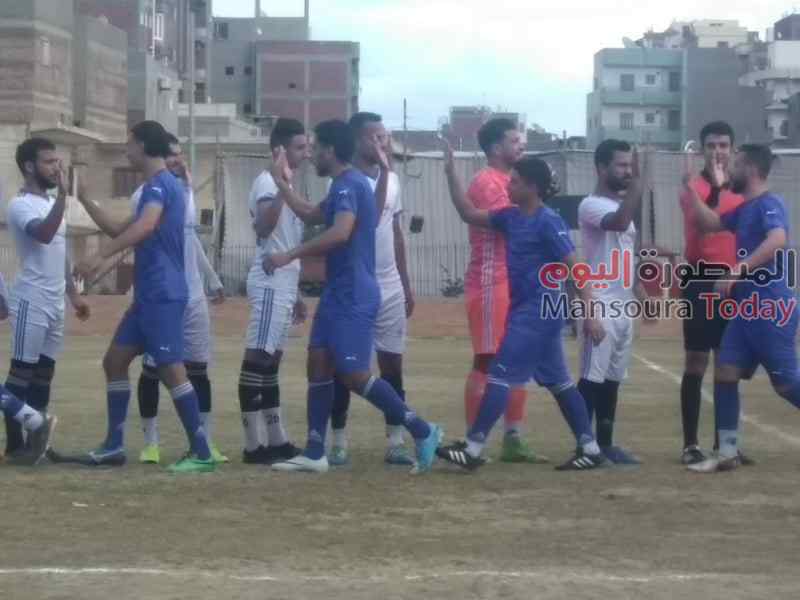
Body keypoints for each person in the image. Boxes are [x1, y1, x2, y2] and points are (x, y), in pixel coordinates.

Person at [264, 119, 442, 474]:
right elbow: (311, 214)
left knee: (353, 374)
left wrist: (290, 255)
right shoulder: (344, 185)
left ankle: (423, 430)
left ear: (331, 150)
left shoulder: (349, 184)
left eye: (316, 147)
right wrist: (281, 183)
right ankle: (315, 452)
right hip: (337, 292)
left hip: (354, 294)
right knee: (318, 362)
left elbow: (340, 233)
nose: (312, 154)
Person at [437, 145, 608, 471]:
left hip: (539, 312)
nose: (508, 186)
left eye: (514, 182)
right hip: (528, 311)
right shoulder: (510, 217)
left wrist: (591, 315)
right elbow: (468, 214)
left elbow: (576, 268)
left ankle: (473, 448)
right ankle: (590, 447)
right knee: (559, 382)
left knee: (499, 375)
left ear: (532, 187)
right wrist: (450, 174)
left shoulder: (548, 221)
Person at [74, 120, 214, 473]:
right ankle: (114, 446)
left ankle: (201, 452)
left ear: (143, 146)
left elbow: (145, 227)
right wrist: (84, 197)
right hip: (149, 295)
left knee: (171, 369)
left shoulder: (160, 186)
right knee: (114, 362)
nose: (126, 149)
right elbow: (120, 229)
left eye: (129, 143)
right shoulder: (157, 187)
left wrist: (100, 255)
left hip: (162, 293)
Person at [684, 144, 798, 473]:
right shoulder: (744, 208)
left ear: (750, 168)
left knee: (786, 385)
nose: (728, 170)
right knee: (725, 372)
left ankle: (727, 451)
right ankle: (727, 453)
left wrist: (737, 270)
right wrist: (690, 187)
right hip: (745, 311)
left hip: (770, 307)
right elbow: (709, 223)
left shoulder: (769, 204)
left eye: (734, 164)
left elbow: (777, 240)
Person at [132, 133, 228, 465]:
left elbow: (191, 242)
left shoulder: (184, 193)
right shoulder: (144, 195)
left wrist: (212, 279)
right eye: (171, 154)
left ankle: (205, 442)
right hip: (163, 295)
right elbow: (136, 238)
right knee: (152, 371)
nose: (177, 160)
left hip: (194, 296)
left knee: (198, 370)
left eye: (179, 154)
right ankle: (151, 443)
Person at [328, 112, 416, 466]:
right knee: (344, 365)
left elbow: (395, 233)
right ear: (357, 141)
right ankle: (337, 441)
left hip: (390, 284)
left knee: (392, 364)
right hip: (356, 284)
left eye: (385, 136)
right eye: (375, 137)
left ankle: (395, 441)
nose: (383, 142)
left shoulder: (392, 180)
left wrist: (405, 283)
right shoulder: (344, 181)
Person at [460, 118, 544, 464]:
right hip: (490, 280)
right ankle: (472, 440)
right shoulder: (487, 181)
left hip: (514, 281)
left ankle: (513, 439)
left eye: (522, 140)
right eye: (514, 141)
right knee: (486, 359)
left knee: (517, 359)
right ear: (496, 148)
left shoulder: (512, 181)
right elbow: (515, 221)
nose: (521, 145)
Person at [2, 137, 87, 462]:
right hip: (31, 299)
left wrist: (74, 295)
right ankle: (15, 446)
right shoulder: (20, 204)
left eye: (57, 161)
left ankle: (38, 444)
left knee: (44, 374)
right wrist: (64, 196)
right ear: (29, 166)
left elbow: (58, 250)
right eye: (49, 162)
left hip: (55, 301)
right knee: (21, 372)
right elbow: (44, 234)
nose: (57, 167)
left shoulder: (52, 203)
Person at [678, 121, 750, 466]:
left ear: (732, 149)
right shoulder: (691, 186)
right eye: (711, 145)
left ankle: (726, 444)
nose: (717, 151)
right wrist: (718, 188)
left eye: (723, 145)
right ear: (703, 149)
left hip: (734, 280)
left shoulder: (744, 189)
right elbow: (706, 221)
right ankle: (690, 444)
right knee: (696, 360)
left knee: (728, 363)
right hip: (700, 278)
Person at [237, 117, 307, 465]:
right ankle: (253, 446)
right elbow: (264, 227)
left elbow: (288, 239)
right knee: (257, 358)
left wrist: (297, 292)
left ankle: (277, 439)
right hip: (269, 282)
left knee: (271, 362)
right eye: (299, 147)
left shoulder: (287, 184)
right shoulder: (267, 183)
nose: (306, 154)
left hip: (285, 282)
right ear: (279, 149)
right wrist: (281, 186)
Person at [576, 139, 645, 465]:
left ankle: (605, 445)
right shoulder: (591, 205)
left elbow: (626, 253)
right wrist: (639, 182)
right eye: (621, 165)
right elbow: (617, 222)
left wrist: (640, 293)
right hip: (600, 303)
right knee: (591, 379)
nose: (628, 171)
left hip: (622, 306)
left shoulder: (623, 209)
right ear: (601, 168)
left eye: (631, 165)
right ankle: (583, 447)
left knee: (613, 379)